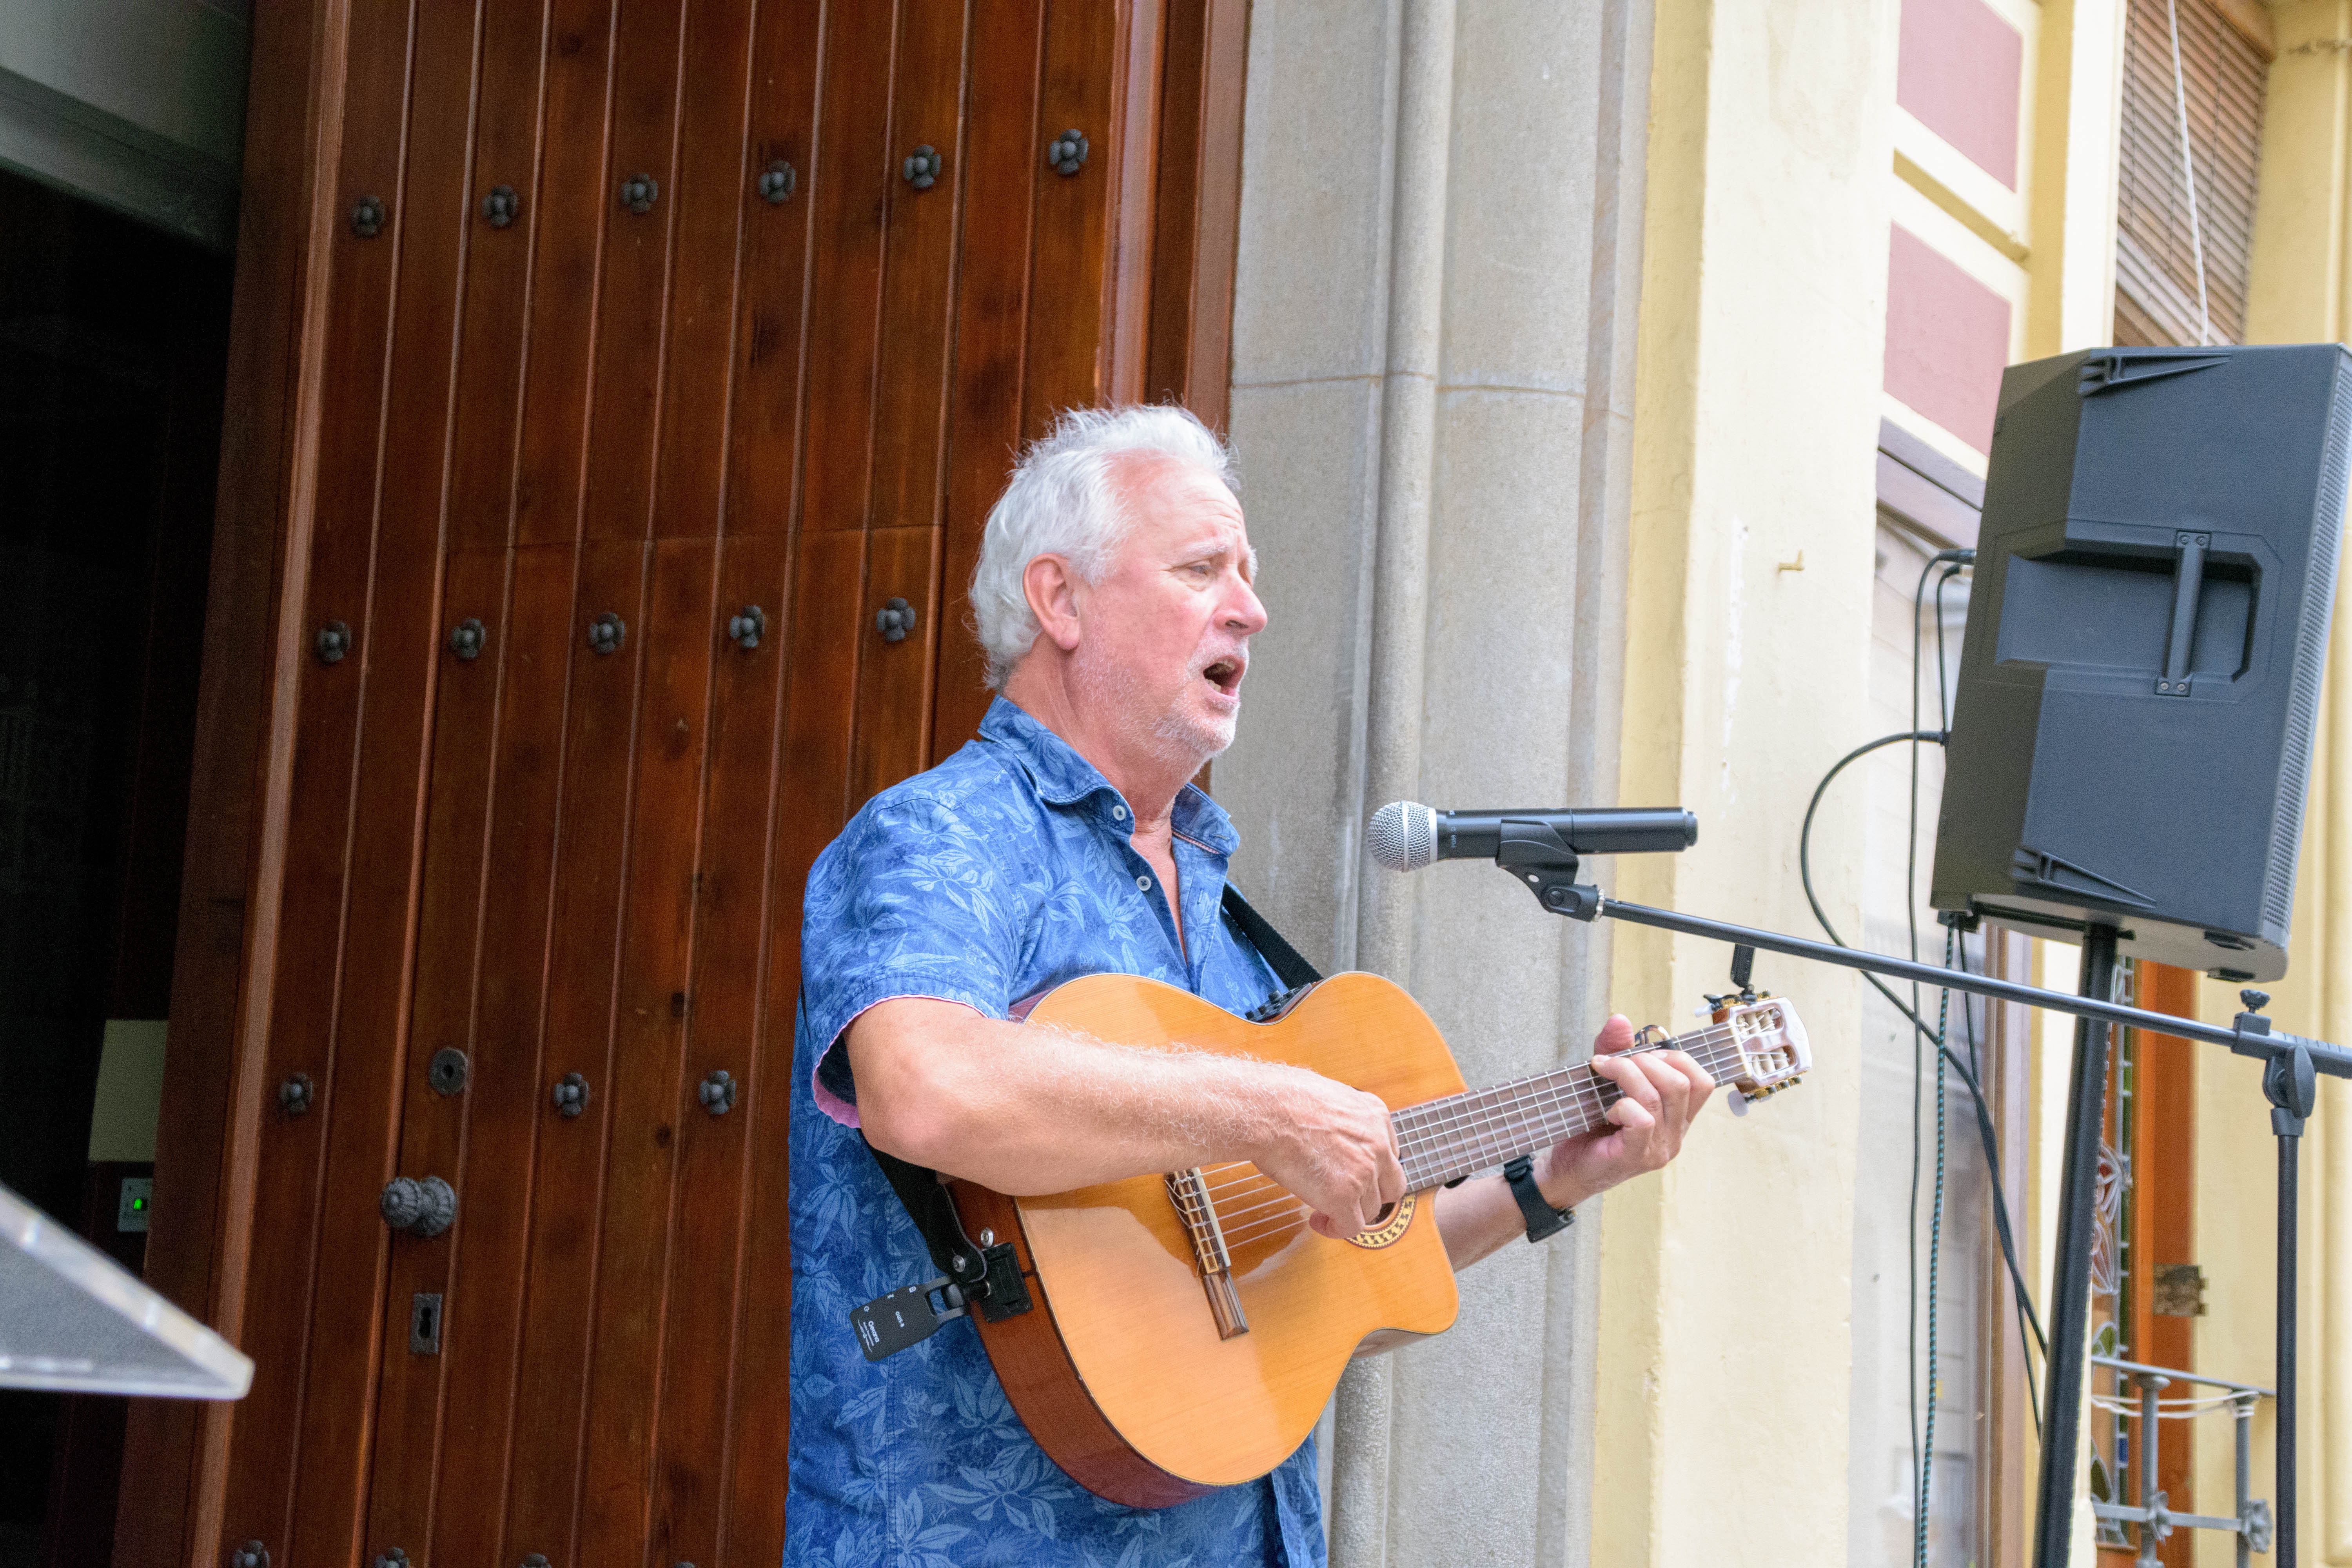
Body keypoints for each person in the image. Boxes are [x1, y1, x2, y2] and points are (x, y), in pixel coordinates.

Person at [785, 405, 1714, 1566]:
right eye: (1200, 569)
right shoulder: (945, 834)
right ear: (1058, 601)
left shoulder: (1218, 911)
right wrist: (1263, 1109)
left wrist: (1554, 1180)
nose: (1251, 608)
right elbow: (925, 1089)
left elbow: (1302, 1276)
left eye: (1251, 575)